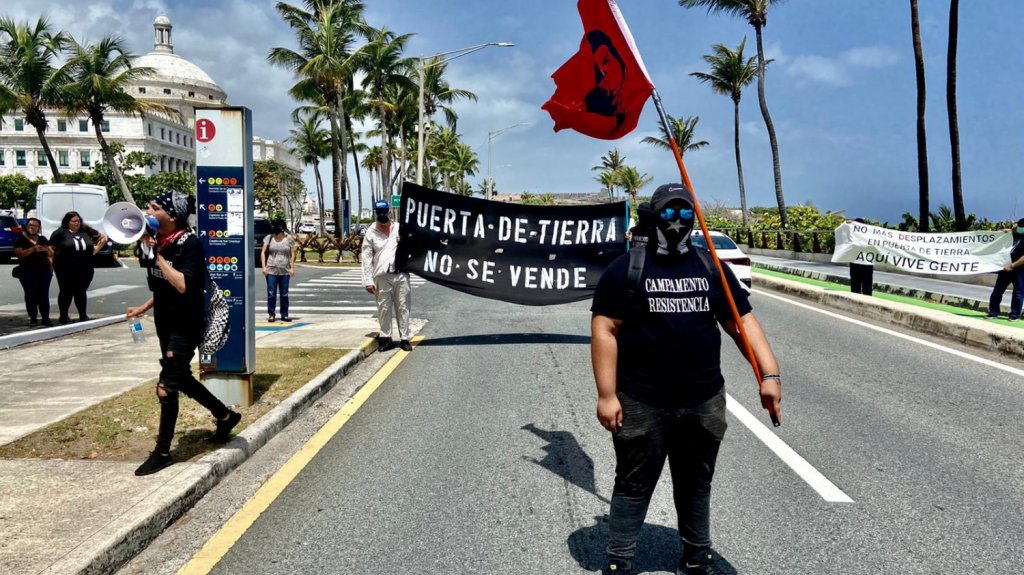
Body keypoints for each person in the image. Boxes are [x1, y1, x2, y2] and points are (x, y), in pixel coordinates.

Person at [590, 183, 782, 575]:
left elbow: (742, 323)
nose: (676, 221)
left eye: (684, 213)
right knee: (633, 484)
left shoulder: (710, 266)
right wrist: (607, 395)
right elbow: (605, 329)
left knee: (696, 484)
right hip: (642, 401)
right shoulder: (627, 269)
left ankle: (697, 558)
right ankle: (619, 560)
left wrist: (769, 374)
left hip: (702, 401)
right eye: (668, 213)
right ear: (654, 215)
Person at [126, 190, 241, 476]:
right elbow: (161, 287)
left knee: (166, 386)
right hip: (164, 321)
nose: (148, 211)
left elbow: (182, 285)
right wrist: (143, 307)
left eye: (154, 208)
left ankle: (163, 451)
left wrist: (159, 258)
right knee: (183, 378)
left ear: (172, 214)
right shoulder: (154, 243)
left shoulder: (190, 244)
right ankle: (225, 416)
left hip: (185, 325)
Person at [361, 199, 412, 352]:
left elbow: (414, 246)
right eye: (379, 212)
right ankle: (386, 337)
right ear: (376, 213)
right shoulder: (371, 232)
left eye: (385, 212)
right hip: (382, 275)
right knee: (384, 308)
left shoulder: (399, 228)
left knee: (403, 306)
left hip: (401, 273)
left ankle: (404, 338)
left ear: (390, 212)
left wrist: (404, 241)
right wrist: (368, 281)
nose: (383, 215)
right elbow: (366, 257)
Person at [50, 211, 106, 324]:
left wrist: (95, 250)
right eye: (74, 221)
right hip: (65, 268)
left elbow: (102, 238)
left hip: (85, 267)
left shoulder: (86, 231)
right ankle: (64, 315)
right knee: (66, 291)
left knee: (81, 291)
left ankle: (83, 314)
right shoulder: (60, 233)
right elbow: (51, 248)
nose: (77, 223)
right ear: (67, 222)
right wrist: (54, 261)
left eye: (78, 221)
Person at [13, 217, 54, 326]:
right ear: (26, 227)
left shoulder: (43, 239)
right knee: (31, 294)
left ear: (39, 228)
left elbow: (51, 253)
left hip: (44, 270)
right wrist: (33, 249)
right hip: (27, 270)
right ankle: (33, 318)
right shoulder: (20, 239)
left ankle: (46, 318)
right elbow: (19, 254)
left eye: (35, 226)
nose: (32, 228)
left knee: (43, 295)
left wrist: (45, 250)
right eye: (30, 225)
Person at [985, 218, 1024, 321]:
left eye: (1021, 227)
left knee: (1018, 293)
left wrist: (1013, 265)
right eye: (1019, 226)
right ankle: (993, 312)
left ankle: (1015, 315)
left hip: (1019, 270)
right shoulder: (1014, 235)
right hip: (1005, 269)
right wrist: (1004, 233)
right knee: (997, 290)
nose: (1019, 228)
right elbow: (999, 239)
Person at [261, 218, 296, 322]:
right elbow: (263, 252)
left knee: (284, 294)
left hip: (285, 270)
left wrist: (292, 268)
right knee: (271, 293)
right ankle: (271, 314)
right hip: (271, 269)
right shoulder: (269, 238)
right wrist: (264, 267)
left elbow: (292, 254)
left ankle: (284, 314)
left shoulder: (289, 238)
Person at [848, 218, 874, 296]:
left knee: (860, 285)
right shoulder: (869, 236)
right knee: (863, 286)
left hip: (863, 263)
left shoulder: (853, 236)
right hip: (860, 263)